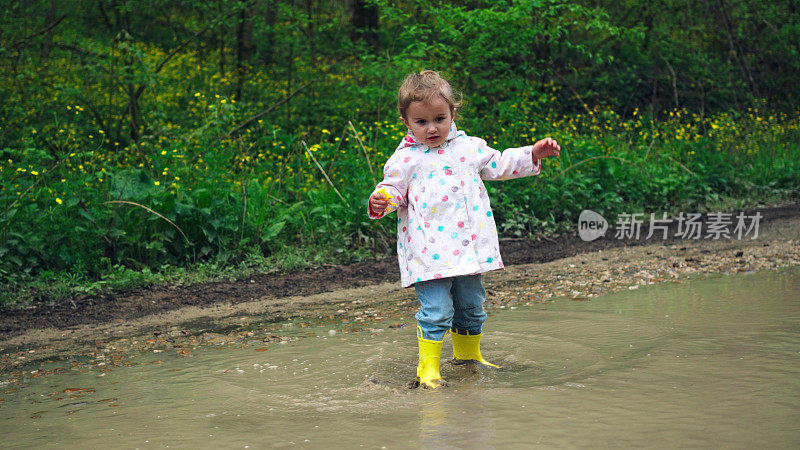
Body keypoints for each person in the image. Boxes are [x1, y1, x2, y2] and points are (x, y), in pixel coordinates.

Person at [368, 70, 561, 389]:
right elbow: (393, 188)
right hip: (429, 253)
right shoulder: (405, 159)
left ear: (452, 114)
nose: (432, 128)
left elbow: (499, 164)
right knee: (437, 311)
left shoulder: (469, 148)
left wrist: (532, 154)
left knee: (472, 306)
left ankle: (469, 357)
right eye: (421, 122)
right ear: (406, 121)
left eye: (439, 118)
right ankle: (428, 368)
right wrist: (381, 200)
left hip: (469, 249)